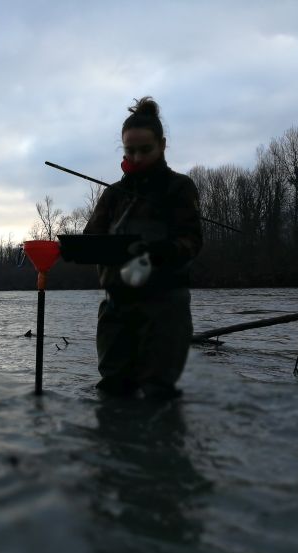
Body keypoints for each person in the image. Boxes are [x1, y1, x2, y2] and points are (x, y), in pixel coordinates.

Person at [83, 96, 202, 400]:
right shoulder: (114, 195)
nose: (136, 158)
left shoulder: (179, 188)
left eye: (144, 150)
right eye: (129, 151)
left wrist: (157, 251)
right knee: (112, 392)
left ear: (162, 145)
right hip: (116, 308)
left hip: (164, 309)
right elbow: (91, 238)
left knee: (157, 395)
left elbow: (191, 242)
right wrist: (77, 248)